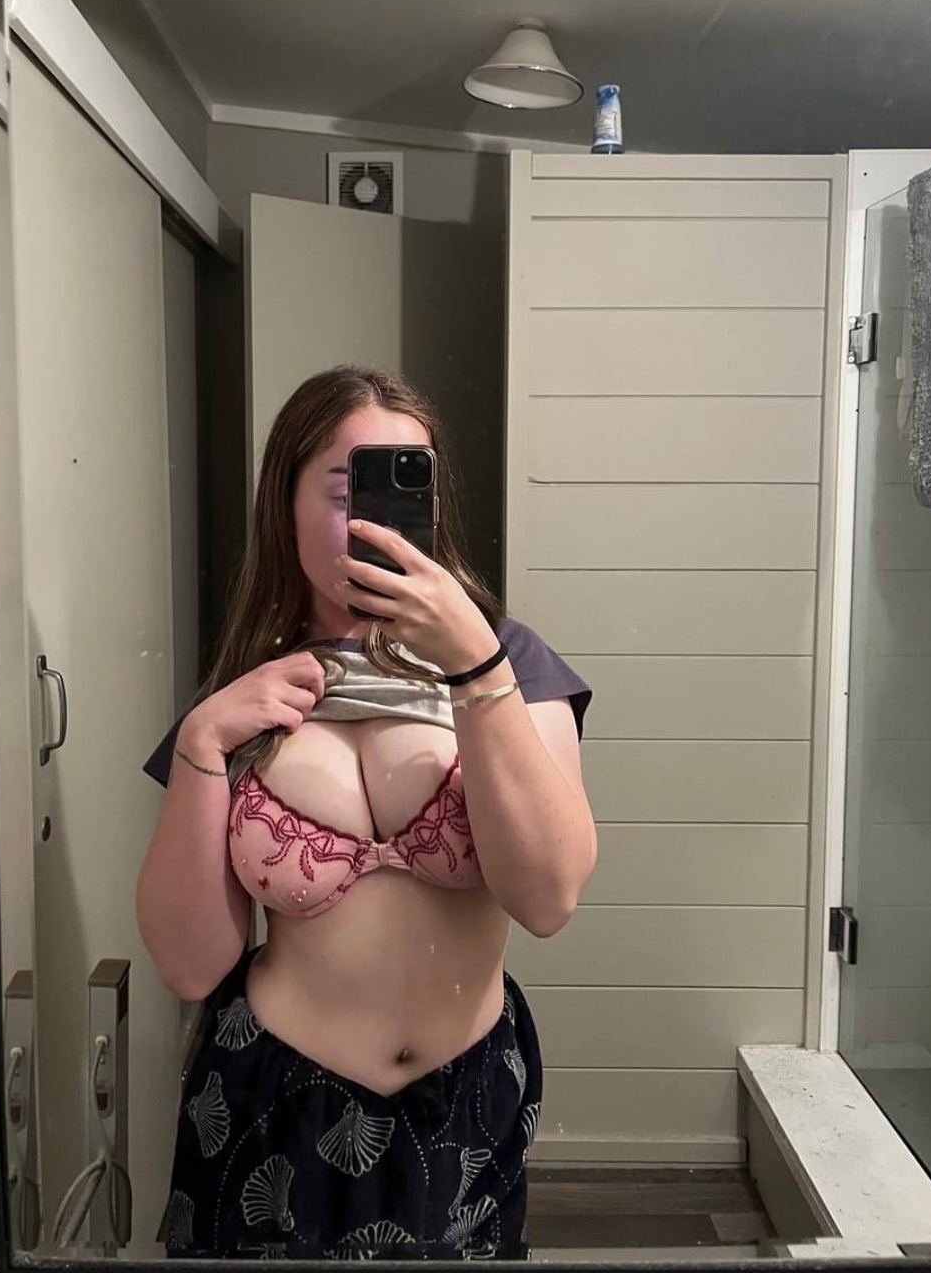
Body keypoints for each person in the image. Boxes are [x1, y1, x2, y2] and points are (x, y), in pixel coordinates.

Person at [137, 365, 596, 1260]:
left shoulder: (511, 663)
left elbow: (548, 899)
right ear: (285, 503)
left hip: (462, 1101)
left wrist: (475, 667)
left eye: (405, 488)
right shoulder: (245, 690)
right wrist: (201, 741)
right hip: (270, 1100)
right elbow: (190, 967)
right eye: (347, 491)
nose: (375, 522)